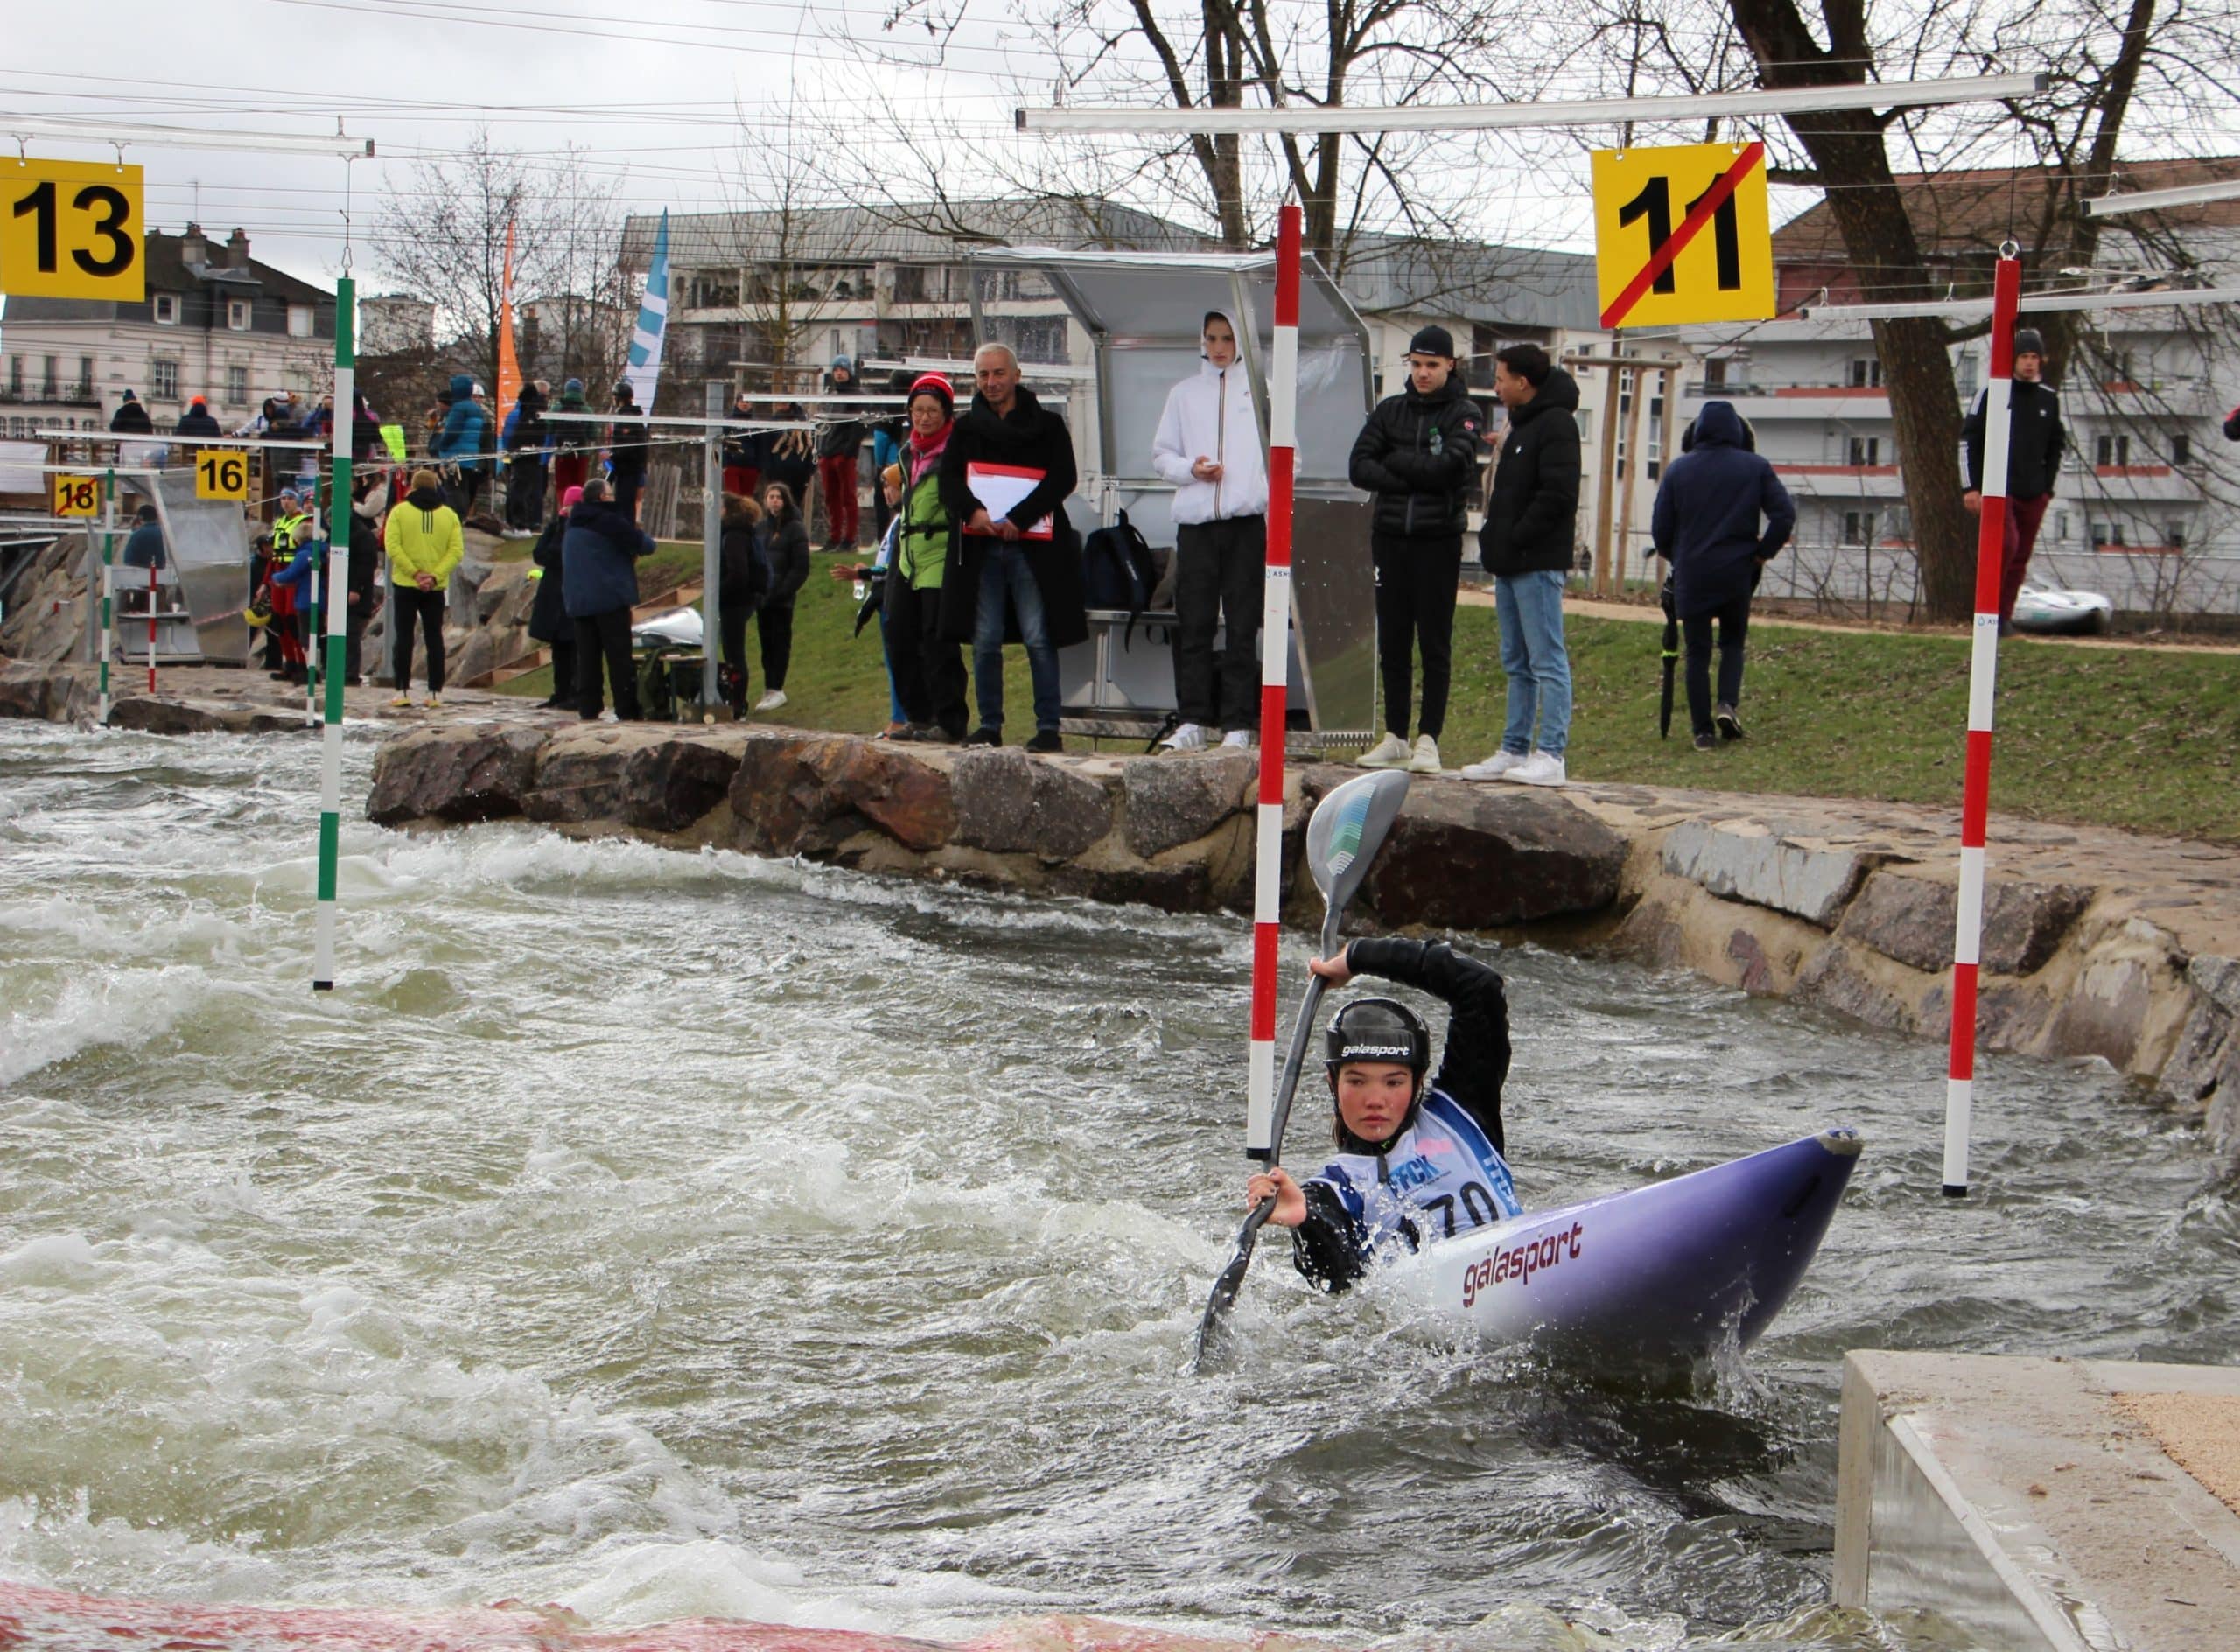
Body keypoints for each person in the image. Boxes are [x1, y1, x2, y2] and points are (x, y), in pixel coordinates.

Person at [1244, 937, 1522, 1294]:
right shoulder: (1333, 1190)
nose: (1375, 1100)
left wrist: (1361, 957)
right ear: (1333, 1082)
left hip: (1518, 1267)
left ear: (1418, 1080)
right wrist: (1305, 1222)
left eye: (1393, 1082)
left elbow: (1480, 987)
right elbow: (1342, 1283)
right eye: (1357, 1081)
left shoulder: (1461, 1113)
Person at [938, 342, 1089, 754]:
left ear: (1017, 375)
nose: (991, 382)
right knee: (984, 640)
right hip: (982, 549)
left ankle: (1048, 727)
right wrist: (975, 513)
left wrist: (1018, 519)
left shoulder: (1049, 425)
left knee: (1039, 637)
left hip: (1034, 549)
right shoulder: (966, 430)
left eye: (999, 373)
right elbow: (948, 482)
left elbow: (1063, 478)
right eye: (984, 375)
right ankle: (989, 725)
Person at [1348, 326, 1484, 776]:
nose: (1423, 374)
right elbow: (1360, 466)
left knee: (1434, 640)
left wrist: (1397, 461)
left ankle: (1430, 738)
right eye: (1417, 364)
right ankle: (1396, 736)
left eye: (1432, 365)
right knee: (1394, 640)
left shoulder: (1465, 413)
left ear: (1450, 365)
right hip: (1389, 538)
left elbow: (1449, 468)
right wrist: (1413, 471)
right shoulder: (1390, 411)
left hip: (1438, 541)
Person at [1462, 343, 1582, 788]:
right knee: (1516, 660)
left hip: (1537, 561)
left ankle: (1551, 752)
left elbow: (1558, 494)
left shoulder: (1557, 426)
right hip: (1510, 563)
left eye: (1500, 378)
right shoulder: (1519, 425)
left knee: (1547, 658)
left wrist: (1517, 536)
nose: (1496, 386)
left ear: (1523, 382)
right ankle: (1514, 747)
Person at [1151, 310, 1269, 753]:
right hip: (1197, 525)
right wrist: (1191, 470)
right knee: (1195, 623)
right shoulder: (1183, 394)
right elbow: (1162, 455)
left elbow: (1287, 457)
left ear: (1241, 342)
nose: (1218, 347)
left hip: (1245, 524)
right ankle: (1193, 719)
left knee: (1242, 625)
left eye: (1227, 338)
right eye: (1211, 338)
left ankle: (1239, 722)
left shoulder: (1260, 392)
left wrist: (1258, 493)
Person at [1648, 400, 1796, 751]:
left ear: (1696, 432)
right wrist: (1762, 553)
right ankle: (1727, 704)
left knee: (1697, 653)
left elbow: (1660, 529)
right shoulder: (1755, 467)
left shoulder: (1678, 471)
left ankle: (1702, 733)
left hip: (1693, 573)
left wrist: (1676, 555)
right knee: (1732, 643)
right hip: (1737, 571)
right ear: (1739, 433)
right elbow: (1784, 516)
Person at [878, 372, 970, 741]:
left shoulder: (957, 449)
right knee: (899, 633)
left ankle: (950, 721)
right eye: (918, 410)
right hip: (908, 552)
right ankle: (917, 714)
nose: (924, 417)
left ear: (947, 413)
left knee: (937, 640)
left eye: (933, 410)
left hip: (940, 549)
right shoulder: (906, 453)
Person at [1962, 326, 2066, 634]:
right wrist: (1971, 486)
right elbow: (1968, 440)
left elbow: (2056, 444)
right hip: (1998, 488)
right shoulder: (1992, 394)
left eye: (2034, 357)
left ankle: (2003, 618)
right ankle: (1986, 612)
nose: (2029, 363)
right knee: (2006, 544)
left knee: (2021, 557)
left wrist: (2047, 487)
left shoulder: (2049, 398)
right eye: (2024, 356)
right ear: (2013, 359)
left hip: (2033, 491)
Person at [563, 476, 654, 721]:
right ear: (603, 498)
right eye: (611, 495)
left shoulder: (573, 524)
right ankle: (626, 708)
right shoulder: (609, 521)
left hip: (579, 601)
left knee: (587, 658)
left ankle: (589, 707)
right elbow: (646, 546)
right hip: (609, 598)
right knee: (619, 657)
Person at [383, 466, 464, 707]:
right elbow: (456, 551)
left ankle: (402, 690)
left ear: (413, 486)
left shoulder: (399, 512)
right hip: (436, 586)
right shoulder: (449, 515)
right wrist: (434, 576)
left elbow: (392, 547)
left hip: (406, 583)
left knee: (404, 637)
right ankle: (435, 692)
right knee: (434, 638)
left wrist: (415, 573)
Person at [752, 480, 810, 711]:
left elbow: (800, 568)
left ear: (785, 500)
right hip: (762, 598)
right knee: (766, 644)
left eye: (778, 497)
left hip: (781, 599)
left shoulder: (795, 528)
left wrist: (782, 591)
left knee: (779, 643)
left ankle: (777, 688)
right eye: (770, 497)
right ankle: (768, 687)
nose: (774, 501)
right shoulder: (761, 528)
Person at [527, 485, 580, 711]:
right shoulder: (554, 527)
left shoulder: (580, 528)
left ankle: (576, 693)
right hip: (552, 592)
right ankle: (560, 691)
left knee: (574, 647)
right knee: (558, 648)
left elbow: (568, 554)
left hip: (573, 590)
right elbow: (540, 553)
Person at [816, 355, 867, 552]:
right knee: (831, 498)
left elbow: (859, 426)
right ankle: (834, 537)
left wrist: (848, 452)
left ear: (849, 373)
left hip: (843, 454)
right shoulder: (832, 395)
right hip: (828, 452)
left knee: (848, 497)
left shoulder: (857, 396)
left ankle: (850, 538)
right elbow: (825, 424)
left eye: (842, 370)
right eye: (836, 370)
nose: (839, 373)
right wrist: (822, 450)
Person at [431, 374, 491, 519]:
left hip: (455, 455)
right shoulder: (475, 409)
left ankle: (455, 516)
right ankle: (462, 516)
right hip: (470, 455)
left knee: (453, 488)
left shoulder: (459, 408)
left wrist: (442, 446)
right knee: (463, 487)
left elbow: (452, 432)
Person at [504, 379, 550, 534]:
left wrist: (509, 455)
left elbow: (511, 436)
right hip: (537, 459)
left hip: (522, 458)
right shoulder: (541, 412)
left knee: (519, 491)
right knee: (534, 492)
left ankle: (519, 524)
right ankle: (533, 522)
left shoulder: (523, 414)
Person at [871, 370, 911, 543]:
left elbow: (881, 438)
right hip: (907, 462)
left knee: (884, 499)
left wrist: (881, 464)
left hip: (891, 463)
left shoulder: (887, 405)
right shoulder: (911, 406)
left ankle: (883, 538)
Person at [607, 382, 650, 522]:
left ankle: (625, 533)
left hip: (628, 469)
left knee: (625, 505)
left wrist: (612, 455)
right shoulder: (636, 417)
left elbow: (628, 447)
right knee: (628, 505)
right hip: (633, 468)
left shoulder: (625, 418)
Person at [550, 379, 593, 500]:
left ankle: (564, 512)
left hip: (562, 453)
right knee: (579, 486)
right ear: (581, 393)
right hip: (582, 454)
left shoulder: (556, 409)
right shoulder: (587, 410)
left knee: (563, 485)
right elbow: (593, 434)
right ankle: (577, 511)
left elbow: (549, 428)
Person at [722, 389, 762, 499]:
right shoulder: (727, 422)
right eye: (742, 401)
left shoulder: (756, 424)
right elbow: (722, 442)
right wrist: (725, 464)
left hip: (751, 468)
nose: (745, 404)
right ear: (736, 403)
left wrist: (758, 467)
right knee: (733, 498)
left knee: (747, 500)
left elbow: (760, 446)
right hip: (732, 466)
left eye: (747, 402)